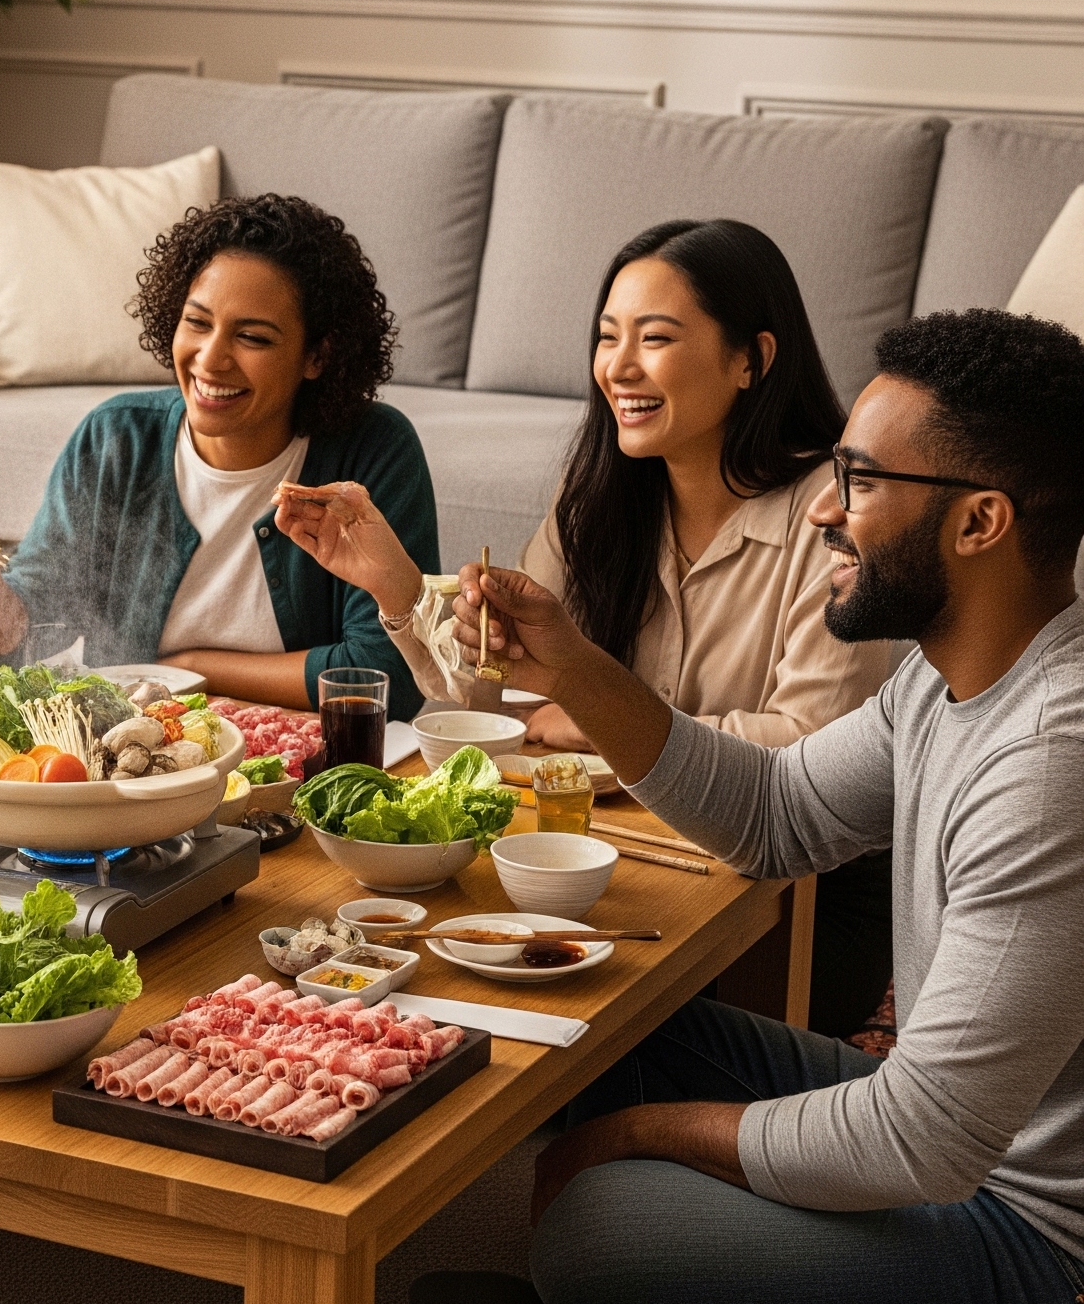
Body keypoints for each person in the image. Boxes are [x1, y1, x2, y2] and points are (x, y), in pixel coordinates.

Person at [413, 310, 1084, 1304]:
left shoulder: (1049, 760)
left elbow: (915, 1140)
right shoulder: (947, 673)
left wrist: (636, 1135)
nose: (822, 508)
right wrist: (572, 668)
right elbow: (774, 813)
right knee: (600, 1017)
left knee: (593, 1229)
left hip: (1035, 1256)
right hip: (949, 1144)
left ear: (978, 521)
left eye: (860, 482)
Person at [279, 218, 896, 1029]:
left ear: (753, 359)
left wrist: (607, 718)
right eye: (608, 338)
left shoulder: (834, 516)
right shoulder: (602, 491)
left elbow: (811, 751)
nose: (619, 367)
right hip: (620, 856)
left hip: (794, 901)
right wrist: (392, 582)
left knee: (576, 1025)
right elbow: (491, 691)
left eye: (656, 338)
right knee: (410, 971)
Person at [0, 193, 440, 715]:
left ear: (317, 356)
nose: (211, 360)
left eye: (252, 337)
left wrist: (188, 667)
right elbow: (24, 641)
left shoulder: (371, 454)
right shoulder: (118, 439)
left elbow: (387, 675)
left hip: (304, 759)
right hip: (137, 753)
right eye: (198, 322)